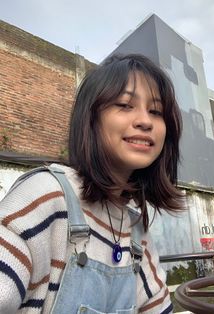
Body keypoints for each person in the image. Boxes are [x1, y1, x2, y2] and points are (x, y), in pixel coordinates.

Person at [0, 54, 184, 313]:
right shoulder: (47, 195)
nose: (145, 121)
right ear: (91, 119)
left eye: (156, 111)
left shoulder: (135, 230)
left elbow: (157, 306)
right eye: (124, 104)